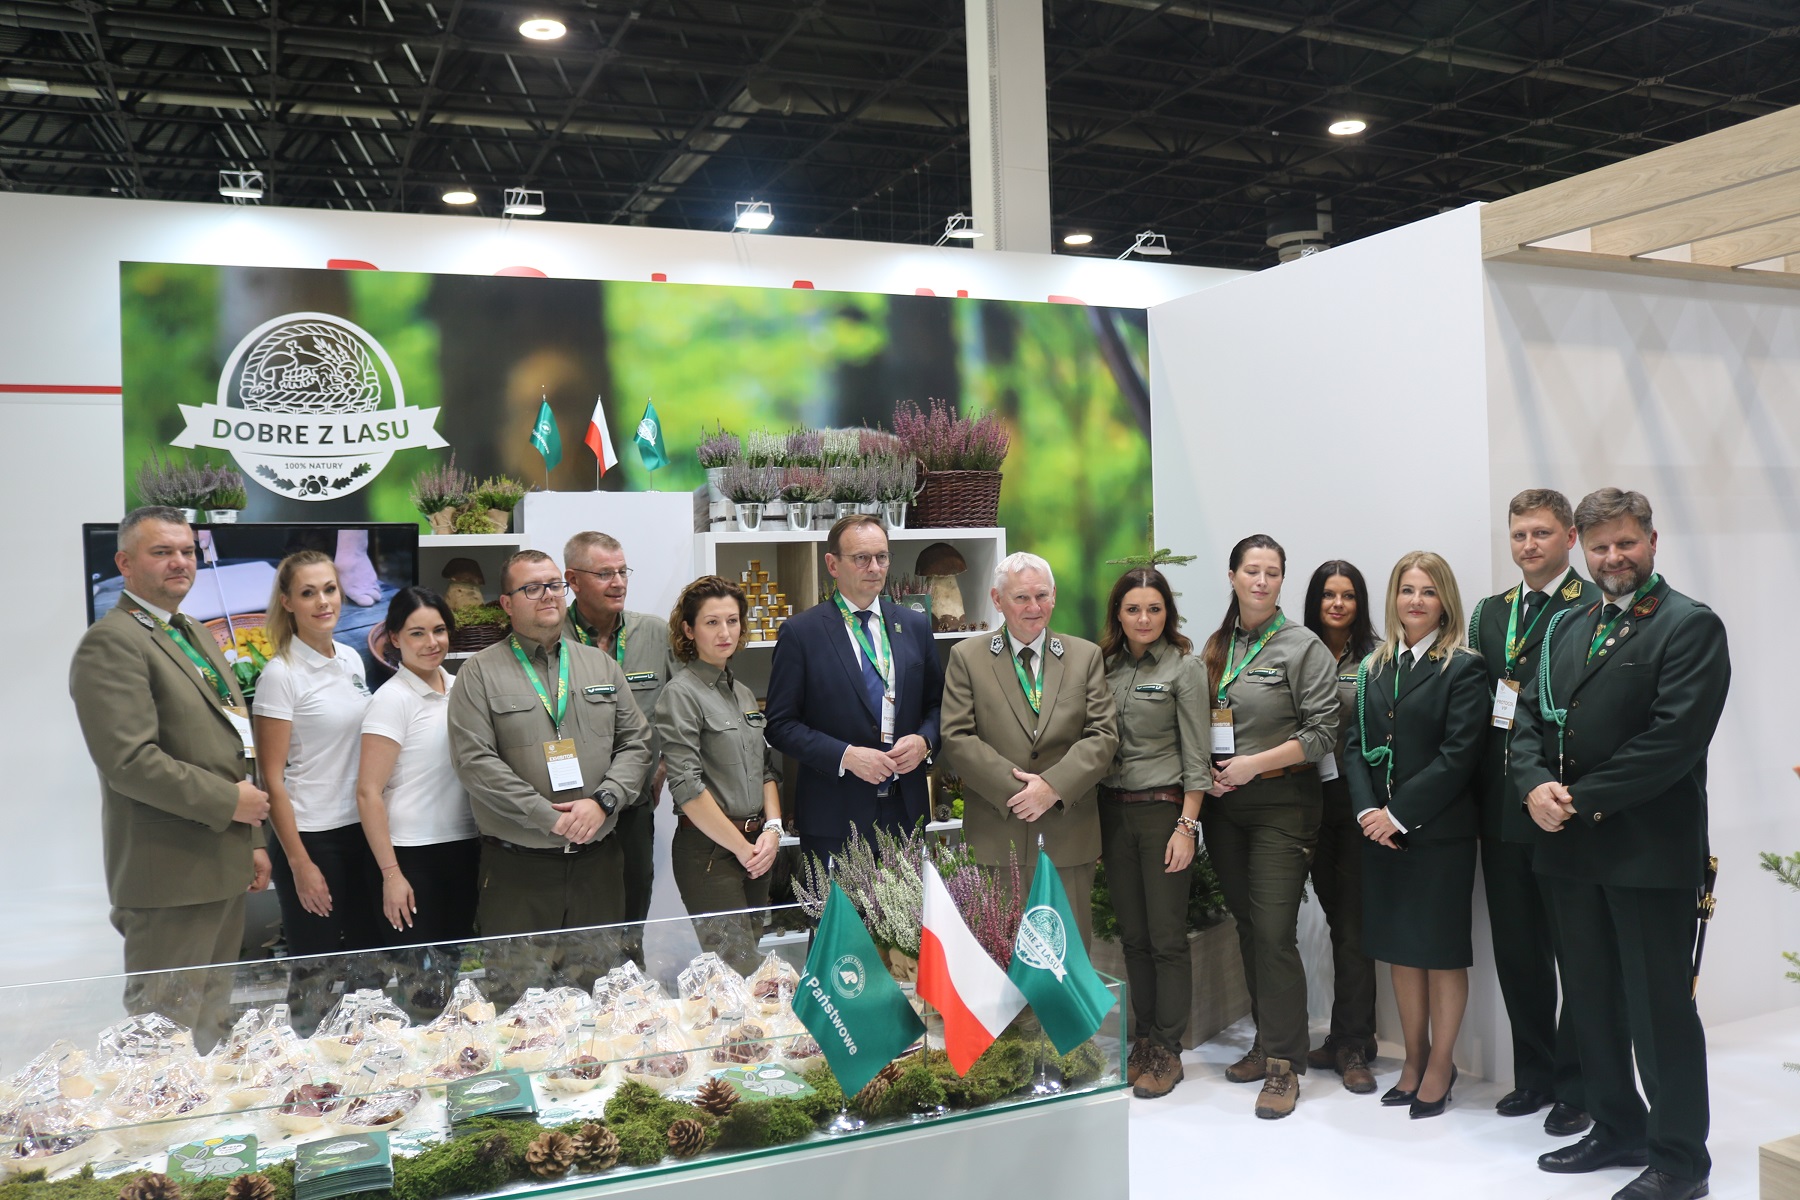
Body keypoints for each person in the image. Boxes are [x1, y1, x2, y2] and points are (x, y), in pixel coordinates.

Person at [1512, 488, 1728, 1200]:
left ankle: (1679, 1161)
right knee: (1592, 1001)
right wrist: (1532, 784)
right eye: (1601, 546)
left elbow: (1673, 741)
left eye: (1626, 543)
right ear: (1583, 548)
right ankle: (1617, 1126)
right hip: (1568, 850)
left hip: (1646, 853)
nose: (1613, 558)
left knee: (1659, 1012)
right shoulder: (1567, 626)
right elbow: (1527, 722)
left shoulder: (1689, 625)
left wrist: (1578, 798)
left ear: (1652, 542)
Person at [68, 506, 271, 1047]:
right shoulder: (111, 642)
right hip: (171, 874)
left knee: (211, 1022)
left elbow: (232, 738)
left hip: (221, 857)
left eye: (187, 551)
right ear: (125, 564)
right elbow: (129, 761)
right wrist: (229, 803)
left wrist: (251, 839)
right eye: (162, 552)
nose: (180, 562)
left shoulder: (191, 630)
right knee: (164, 1034)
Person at [446, 550, 654, 996]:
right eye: (532, 588)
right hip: (519, 871)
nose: (548, 595)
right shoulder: (478, 674)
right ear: (506, 603)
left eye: (554, 585)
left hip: (598, 866)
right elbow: (474, 762)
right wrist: (547, 816)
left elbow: (637, 742)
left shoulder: (600, 665)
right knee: (517, 1002)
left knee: (599, 995)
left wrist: (604, 802)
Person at [1470, 488, 1598, 1135]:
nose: (1528, 545)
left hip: (1561, 803)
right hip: (1501, 806)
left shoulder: (1592, 605)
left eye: (1541, 533)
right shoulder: (1491, 612)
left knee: (1576, 954)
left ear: (1569, 537)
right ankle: (1536, 1076)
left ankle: (1579, 1085)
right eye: (1519, 534)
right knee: (1519, 952)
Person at [1199, 534, 1338, 1120]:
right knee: (1251, 928)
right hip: (1224, 809)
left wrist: (1253, 765)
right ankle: (1265, 1039)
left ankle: (1284, 1065)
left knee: (1276, 931)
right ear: (1232, 576)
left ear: (1282, 580)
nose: (1261, 581)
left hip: (1283, 806)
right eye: (1251, 571)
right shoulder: (1216, 645)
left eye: (1272, 572)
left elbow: (1323, 733)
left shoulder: (1303, 647)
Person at [1345, 552, 1487, 1120]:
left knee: (1441, 954)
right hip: (1380, 835)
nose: (1417, 601)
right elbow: (1354, 746)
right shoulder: (1374, 666)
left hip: (1437, 835)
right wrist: (1367, 813)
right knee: (1401, 952)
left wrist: (1398, 814)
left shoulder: (1464, 667)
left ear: (1445, 600)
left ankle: (1441, 1065)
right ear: (1394, 598)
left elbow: (1459, 755)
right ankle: (1414, 1058)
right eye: (1407, 590)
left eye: (1429, 591)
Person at [939, 551, 1118, 949]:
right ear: (997, 599)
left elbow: (1103, 736)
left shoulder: (1085, 656)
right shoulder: (966, 658)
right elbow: (957, 738)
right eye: (1021, 597)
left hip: (1068, 836)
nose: (1033, 607)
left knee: (1066, 959)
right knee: (1000, 958)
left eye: (1042, 595)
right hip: (996, 836)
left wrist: (1051, 787)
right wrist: (1020, 792)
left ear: (1054, 596)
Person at [253, 550, 384, 1027]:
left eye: (329, 589)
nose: (323, 601)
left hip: (362, 832)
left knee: (370, 969)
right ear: (288, 602)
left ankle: (368, 1062)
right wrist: (299, 863)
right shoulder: (280, 675)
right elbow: (271, 778)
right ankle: (309, 1063)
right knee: (316, 976)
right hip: (313, 838)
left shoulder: (350, 657)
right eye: (308, 593)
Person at [765, 514, 943, 864]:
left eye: (882, 557)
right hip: (834, 818)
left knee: (906, 904)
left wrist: (924, 741)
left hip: (905, 812)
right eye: (862, 558)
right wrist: (846, 756)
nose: (874, 567)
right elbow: (780, 726)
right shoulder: (801, 633)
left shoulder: (914, 625)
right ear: (832, 564)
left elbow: (937, 706)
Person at [1097, 568, 1210, 1100]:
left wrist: (1187, 826)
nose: (1144, 618)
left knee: (1166, 938)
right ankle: (1142, 1040)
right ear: (1118, 615)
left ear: (1168, 613)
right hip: (1112, 814)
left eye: (1154, 608)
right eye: (1133, 609)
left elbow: (1197, 756)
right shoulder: (1104, 667)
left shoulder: (1185, 668)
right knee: (1134, 938)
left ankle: (1168, 1048)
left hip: (1163, 813)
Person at [355, 587, 480, 1013]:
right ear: (394, 638)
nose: (431, 643)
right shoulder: (391, 700)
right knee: (422, 992)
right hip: (410, 859)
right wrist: (391, 875)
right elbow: (367, 792)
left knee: (454, 980)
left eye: (439, 630)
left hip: (463, 850)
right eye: (417, 633)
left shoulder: (462, 689)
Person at [653, 576, 785, 972]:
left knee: (746, 968)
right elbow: (686, 787)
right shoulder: (681, 694)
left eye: (732, 620)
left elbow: (765, 769)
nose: (725, 632)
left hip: (757, 846)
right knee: (738, 968)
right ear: (688, 630)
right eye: (712, 622)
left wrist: (773, 830)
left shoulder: (742, 693)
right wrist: (742, 848)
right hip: (710, 853)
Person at [563, 531, 675, 937]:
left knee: (632, 912)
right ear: (573, 580)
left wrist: (663, 765)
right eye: (604, 574)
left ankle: (632, 973)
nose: (618, 582)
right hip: (571, 808)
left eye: (623, 572)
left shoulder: (655, 634)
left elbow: (683, 707)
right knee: (576, 921)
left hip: (633, 805)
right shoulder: (551, 637)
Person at [1300, 559, 1381, 1094]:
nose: (1337, 604)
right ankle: (1326, 1037)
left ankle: (1353, 1043)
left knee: (1353, 927)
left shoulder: (1376, 658)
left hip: (1355, 804)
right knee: (1328, 920)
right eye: (1328, 595)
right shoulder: (1295, 650)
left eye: (1347, 595)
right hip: (1301, 801)